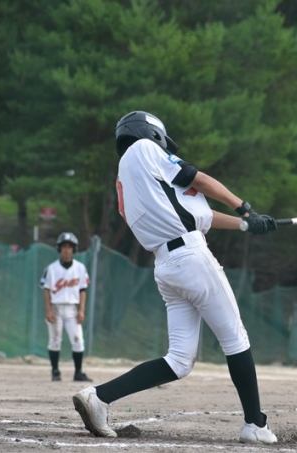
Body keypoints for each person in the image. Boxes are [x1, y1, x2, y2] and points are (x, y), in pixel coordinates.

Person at [72, 111, 278, 444]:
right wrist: (243, 207)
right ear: (151, 133)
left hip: (167, 266)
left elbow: (202, 215)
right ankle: (255, 424)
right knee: (235, 338)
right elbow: (199, 179)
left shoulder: (129, 179)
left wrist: (246, 224)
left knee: (180, 360)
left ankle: (99, 397)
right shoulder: (144, 148)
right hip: (191, 257)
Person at [40, 232, 93, 382]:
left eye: (70, 246)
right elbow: (46, 290)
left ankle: (78, 372)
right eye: (64, 246)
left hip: (72, 309)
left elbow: (82, 290)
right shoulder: (51, 268)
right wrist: (48, 310)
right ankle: (55, 371)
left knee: (78, 340)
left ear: (74, 249)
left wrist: (81, 310)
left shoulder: (80, 268)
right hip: (56, 308)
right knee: (55, 340)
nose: (67, 249)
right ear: (59, 248)